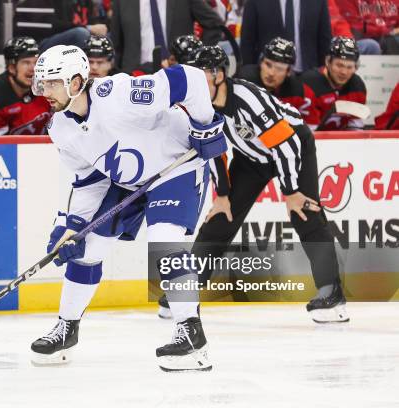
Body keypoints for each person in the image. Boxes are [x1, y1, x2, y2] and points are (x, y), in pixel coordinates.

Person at [30, 44, 227, 371]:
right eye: (43, 83)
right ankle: (66, 328)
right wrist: (72, 226)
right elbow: (90, 182)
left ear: (77, 82)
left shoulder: (118, 94)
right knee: (86, 250)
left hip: (175, 166)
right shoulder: (62, 129)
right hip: (128, 183)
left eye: (52, 82)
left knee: (165, 242)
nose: (45, 91)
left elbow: (189, 79)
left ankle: (191, 336)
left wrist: (204, 126)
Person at [157, 46, 350, 324]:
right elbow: (213, 151)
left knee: (305, 214)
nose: (194, 84)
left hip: (294, 147)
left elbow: (287, 145)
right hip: (252, 157)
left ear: (219, 75)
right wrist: (222, 195)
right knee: (220, 219)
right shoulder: (198, 107)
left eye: (201, 75)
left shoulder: (249, 99)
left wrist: (292, 191)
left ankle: (332, 295)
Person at [111, 0, 223, 74]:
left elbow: (215, 25)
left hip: (177, 73)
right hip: (134, 76)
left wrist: (198, 56)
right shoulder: (121, 2)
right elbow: (115, 42)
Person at [0, 37, 50, 136]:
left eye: (36, 62)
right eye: (26, 63)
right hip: (4, 151)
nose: (33, 69)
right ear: (12, 68)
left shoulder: (48, 87)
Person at [236, 37, 319, 127]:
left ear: (288, 72)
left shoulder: (301, 93)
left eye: (279, 68)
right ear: (261, 63)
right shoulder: (241, 82)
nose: (271, 73)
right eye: (268, 64)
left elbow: (311, 128)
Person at [240, 0, 332, 73]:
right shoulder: (255, 2)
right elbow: (247, 41)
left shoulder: (318, 1)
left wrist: (323, 72)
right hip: (268, 75)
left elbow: (324, 39)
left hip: (308, 74)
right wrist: (249, 74)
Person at [301, 36, 367, 130]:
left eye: (349, 67)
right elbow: (307, 132)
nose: (344, 72)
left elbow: (355, 127)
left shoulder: (357, 86)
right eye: (339, 65)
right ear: (328, 62)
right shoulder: (309, 84)